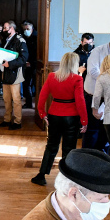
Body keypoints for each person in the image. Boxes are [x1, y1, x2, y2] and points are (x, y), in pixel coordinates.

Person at [32, 52, 87, 187]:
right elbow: (80, 101)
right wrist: (84, 121)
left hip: (54, 115)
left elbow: (42, 97)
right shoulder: (77, 79)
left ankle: (41, 175)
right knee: (69, 148)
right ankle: (66, 178)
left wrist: (42, 114)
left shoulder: (52, 76)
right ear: (75, 64)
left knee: (51, 146)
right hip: (71, 117)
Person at [0, 21, 29, 130]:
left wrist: (10, 64)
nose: (4, 30)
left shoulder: (20, 41)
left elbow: (24, 58)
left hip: (15, 73)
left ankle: (17, 121)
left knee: (16, 99)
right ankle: (7, 119)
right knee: (6, 98)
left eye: (6, 28)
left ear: (12, 28)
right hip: (5, 73)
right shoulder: (5, 40)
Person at [21, 20, 38, 109]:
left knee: (36, 84)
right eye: (24, 29)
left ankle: (38, 104)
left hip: (35, 65)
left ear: (32, 29)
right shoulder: (23, 37)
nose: (26, 30)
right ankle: (28, 103)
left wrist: (31, 62)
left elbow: (37, 52)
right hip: (25, 64)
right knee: (26, 84)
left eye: (27, 29)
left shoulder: (37, 37)